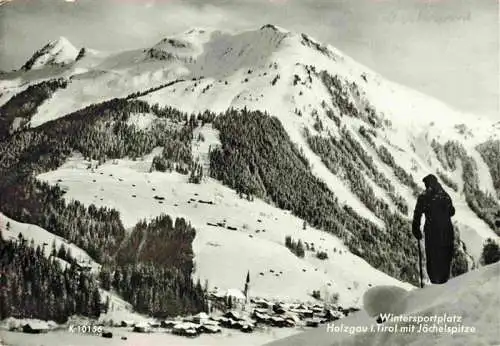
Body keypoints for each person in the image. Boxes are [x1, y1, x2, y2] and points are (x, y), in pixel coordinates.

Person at [412, 174, 455, 284]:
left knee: (433, 264)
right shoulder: (445, 195)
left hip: (432, 235)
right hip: (447, 234)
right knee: (445, 264)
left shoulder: (424, 196)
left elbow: (417, 214)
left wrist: (416, 229)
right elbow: (452, 212)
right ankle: (444, 287)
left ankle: (435, 290)